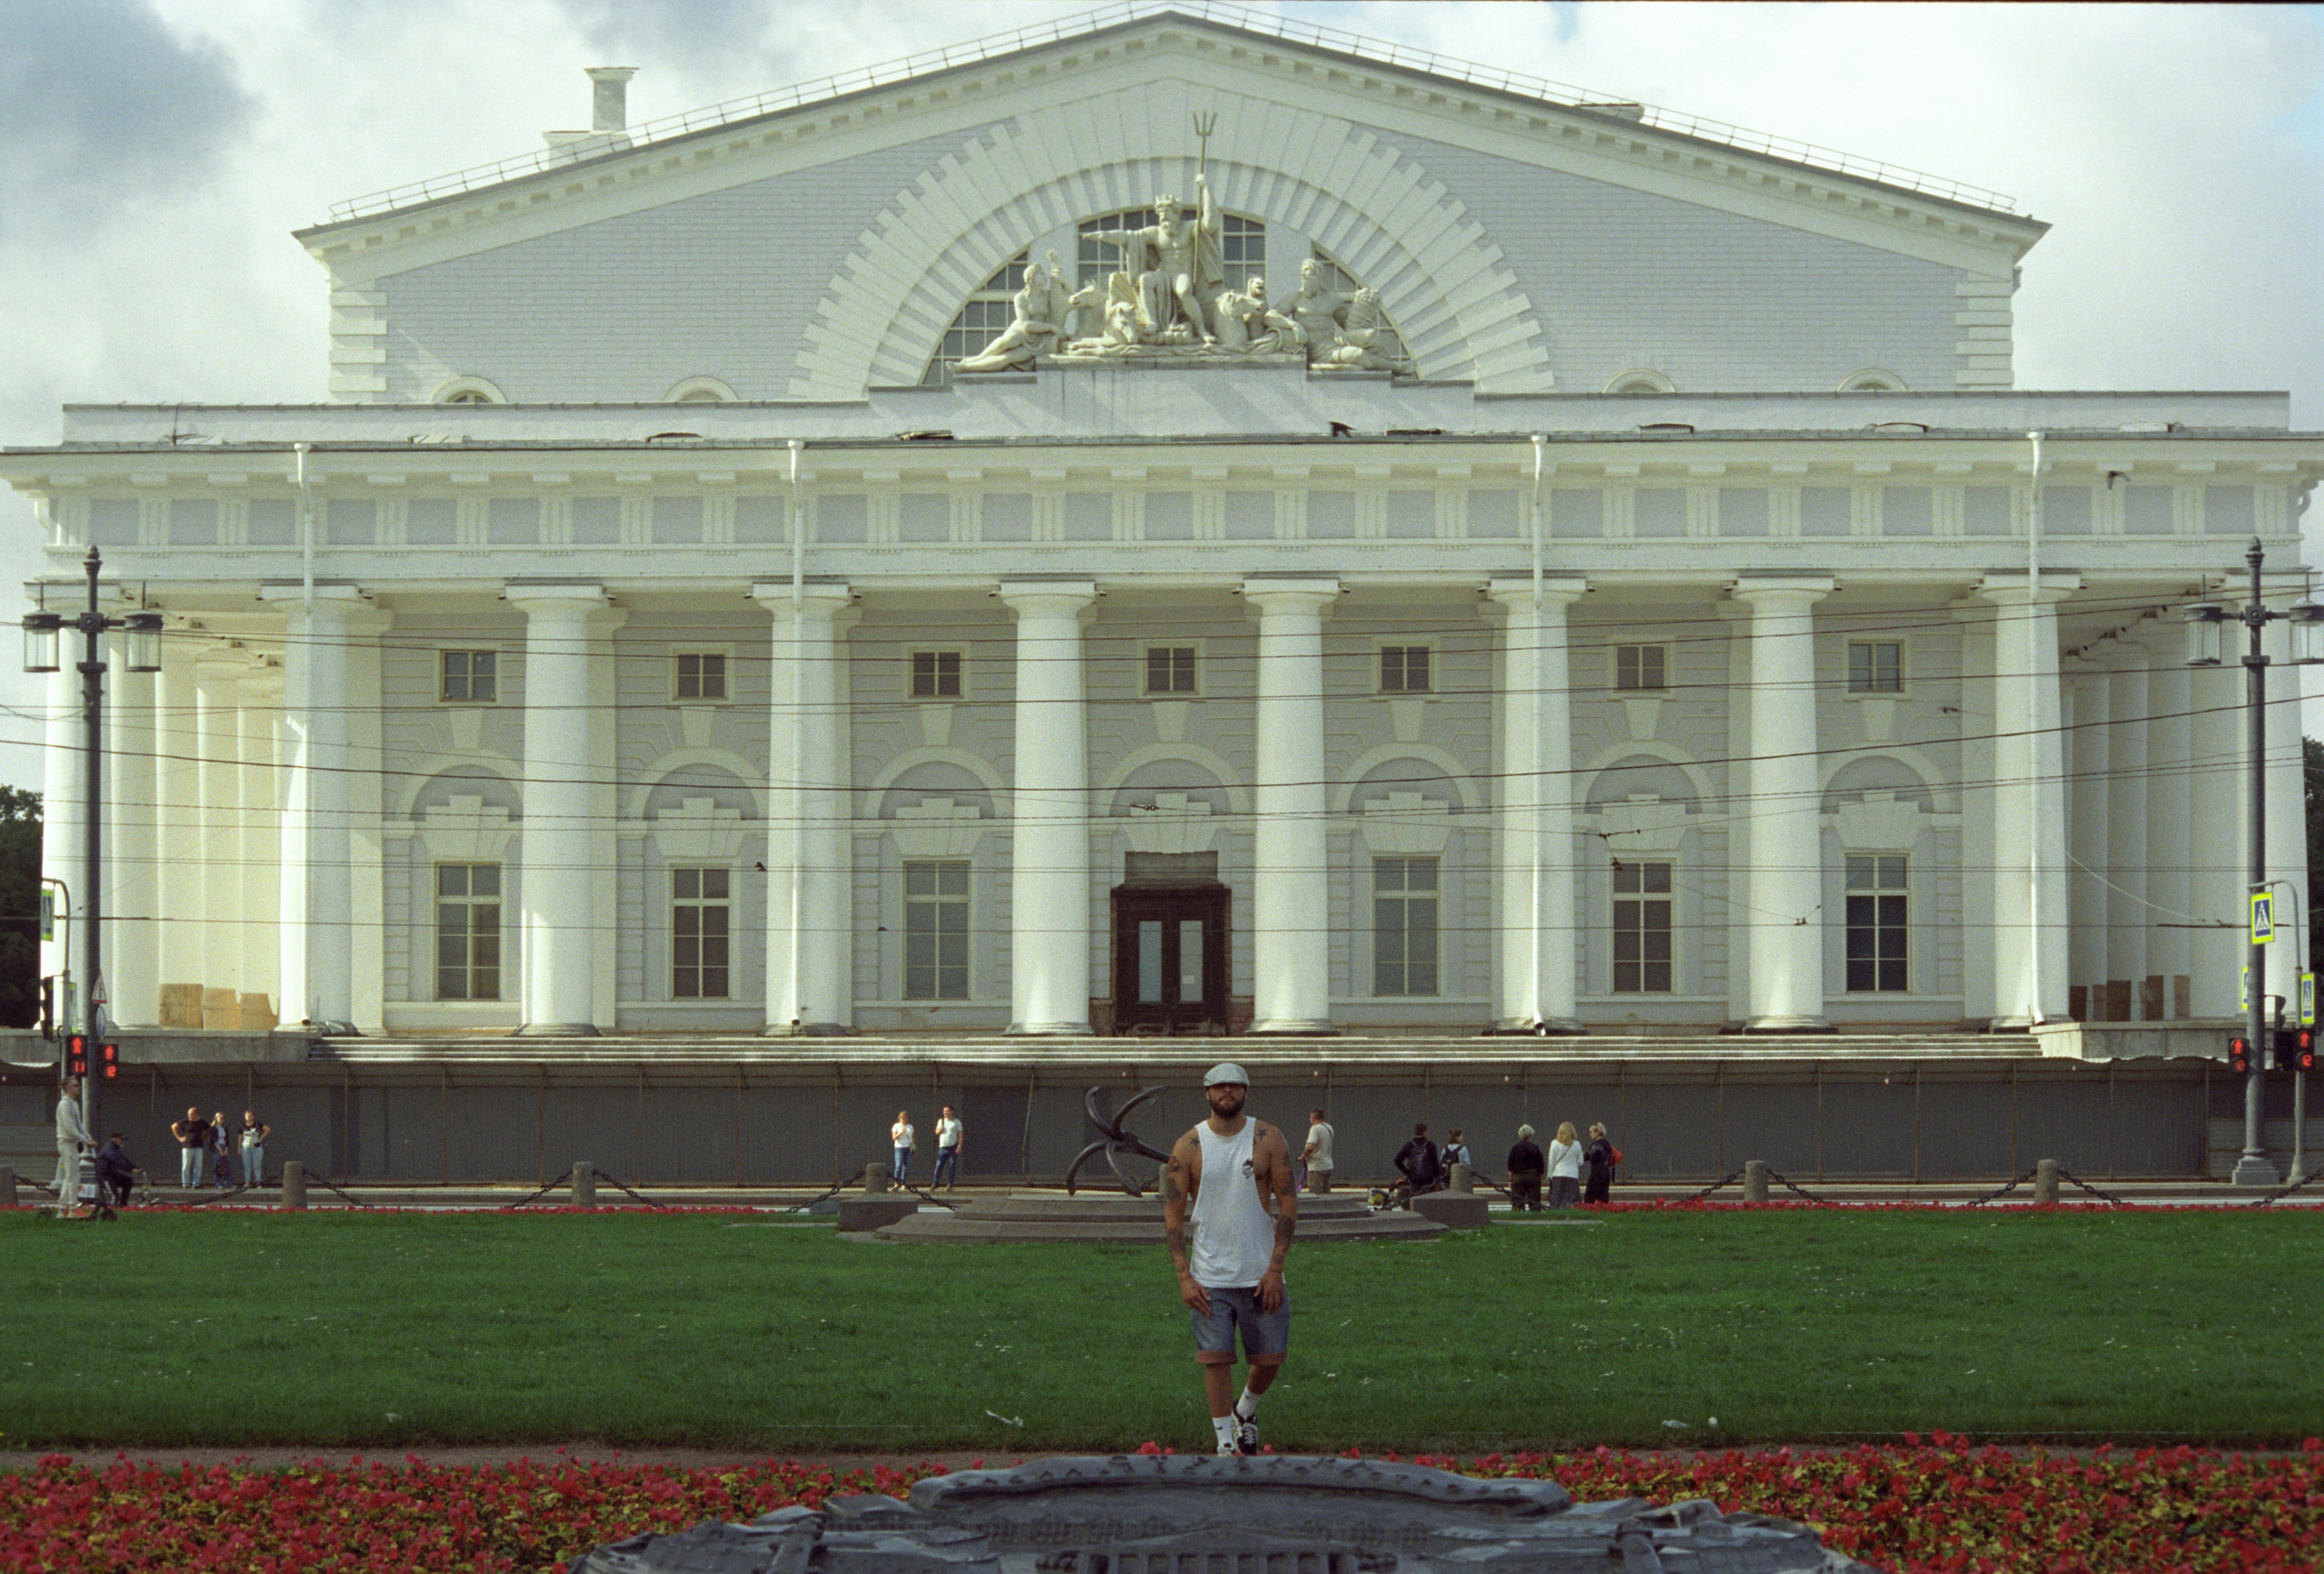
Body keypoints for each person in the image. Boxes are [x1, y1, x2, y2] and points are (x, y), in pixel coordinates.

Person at [1164, 1062, 1296, 1457]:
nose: (1227, 1092)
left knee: (1270, 1359)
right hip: (1211, 1275)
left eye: (1235, 1086)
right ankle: (1224, 1443)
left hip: (1260, 1272)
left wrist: (1275, 1269)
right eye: (1220, 1086)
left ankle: (1245, 1410)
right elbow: (1173, 1216)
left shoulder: (1267, 1137)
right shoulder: (1188, 1146)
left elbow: (1288, 1203)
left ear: (1245, 1092)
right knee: (1215, 1359)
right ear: (1207, 1092)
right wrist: (1184, 1277)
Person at [54, 1076, 93, 1216]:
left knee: (71, 1176)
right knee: (73, 1177)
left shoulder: (74, 1104)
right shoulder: (64, 1105)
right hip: (66, 1143)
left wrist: (87, 1137)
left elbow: (79, 1124)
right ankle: (73, 1208)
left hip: (72, 1143)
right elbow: (69, 1127)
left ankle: (62, 1209)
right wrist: (84, 1140)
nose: (79, 1087)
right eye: (76, 1085)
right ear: (68, 1088)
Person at [1393, 1122, 1443, 1202]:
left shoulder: (1409, 1145)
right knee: (1428, 1202)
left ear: (1415, 1132)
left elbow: (1397, 1160)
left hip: (1414, 1180)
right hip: (1428, 1180)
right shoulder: (1430, 1145)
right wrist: (1437, 1179)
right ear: (1424, 1132)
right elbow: (1435, 1164)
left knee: (1415, 1201)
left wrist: (1407, 1173)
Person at [1506, 1124, 1545, 1213]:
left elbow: (1510, 1165)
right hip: (1533, 1176)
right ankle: (1535, 1215)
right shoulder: (1535, 1148)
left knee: (1517, 1202)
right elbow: (1541, 1164)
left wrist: (1510, 1180)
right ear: (1530, 1136)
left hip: (1518, 1176)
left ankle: (1518, 1214)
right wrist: (1540, 1179)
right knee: (1534, 1201)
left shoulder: (1515, 1148)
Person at [1546, 1121, 1584, 1210]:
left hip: (1558, 1174)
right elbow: (1580, 1162)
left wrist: (1550, 1175)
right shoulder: (1576, 1144)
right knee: (1572, 1203)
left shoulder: (1554, 1143)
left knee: (1557, 1202)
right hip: (1572, 1176)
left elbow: (1551, 1161)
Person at [94, 1132, 137, 1207]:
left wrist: (134, 1167)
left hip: (112, 1174)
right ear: (115, 1139)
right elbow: (116, 1160)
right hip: (104, 1176)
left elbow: (124, 1159)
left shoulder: (115, 1148)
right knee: (115, 1196)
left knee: (128, 1181)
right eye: (121, 1139)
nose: (123, 1141)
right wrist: (130, 1169)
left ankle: (123, 1205)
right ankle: (112, 1210)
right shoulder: (109, 1148)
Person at [172, 1106, 208, 1190]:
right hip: (187, 1146)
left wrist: (204, 1138)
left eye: (191, 1114)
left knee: (198, 1165)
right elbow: (174, 1126)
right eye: (189, 1114)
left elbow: (209, 1129)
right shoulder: (185, 1121)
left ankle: (196, 1183)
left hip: (198, 1146)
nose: (189, 1116)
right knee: (186, 1165)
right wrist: (179, 1137)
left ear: (196, 1114)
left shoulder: (202, 1122)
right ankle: (185, 1183)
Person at [1300, 1107, 1334, 1195]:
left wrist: (1303, 1156)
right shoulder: (1329, 1128)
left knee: (1316, 1195)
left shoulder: (1315, 1129)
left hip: (1316, 1167)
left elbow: (1311, 1146)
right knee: (1326, 1195)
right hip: (1328, 1165)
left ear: (1313, 1118)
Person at [1582, 1122, 1616, 1205]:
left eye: (1591, 1132)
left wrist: (1581, 1152)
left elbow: (1586, 1157)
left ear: (1597, 1133)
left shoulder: (1596, 1145)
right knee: (1603, 1198)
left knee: (1589, 1197)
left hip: (1596, 1173)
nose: (1590, 1134)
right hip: (1606, 1173)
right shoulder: (1607, 1144)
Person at [931, 1105, 963, 1191]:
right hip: (942, 1147)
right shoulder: (941, 1121)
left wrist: (959, 1146)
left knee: (952, 1166)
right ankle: (935, 1183)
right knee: (938, 1165)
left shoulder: (956, 1122)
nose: (945, 1112)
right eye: (944, 1111)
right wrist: (940, 1129)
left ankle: (950, 1184)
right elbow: (936, 1132)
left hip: (953, 1147)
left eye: (946, 1111)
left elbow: (960, 1135)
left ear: (951, 1112)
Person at [238, 1110, 271, 1188]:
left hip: (256, 1148)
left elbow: (268, 1129)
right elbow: (240, 1138)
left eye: (250, 1116)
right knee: (246, 1166)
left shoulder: (257, 1124)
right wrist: (239, 1148)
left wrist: (262, 1137)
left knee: (257, 1166)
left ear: (253, 1116)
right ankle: (247, 1182)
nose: (248, 1117)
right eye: (246, 1116)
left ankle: (258, 1182)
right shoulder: (242, 1126)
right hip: (246, 1148)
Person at [890, 1110, 914, 1187]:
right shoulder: (896, 1126)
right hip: (899, 1148)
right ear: (900, 1119)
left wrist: (914, 1149)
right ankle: (897, 1183)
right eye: (903, 1118)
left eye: (906, 1118)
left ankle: (904, 1182)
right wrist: (901, 1133)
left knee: (907, 1166)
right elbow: (894, 1137)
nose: (904, 1120)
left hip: (908, 1148)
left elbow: (912, 1138)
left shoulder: (910, 1126)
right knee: (898, 1165)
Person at [209, 1111, 232, 1189]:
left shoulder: (225, 1128)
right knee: (217, 1165)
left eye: (223, 1118)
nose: (222, 1119)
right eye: (220, 1118)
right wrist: (220, 1150)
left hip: (224, 1146)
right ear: (216, 1118)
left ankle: (228, 1183)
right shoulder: (213, 1128)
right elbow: (214, 1140)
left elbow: (227, 1139)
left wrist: (226, 1149)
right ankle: (218, 1183)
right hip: (217, 1147)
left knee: (227, 1165)